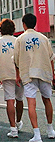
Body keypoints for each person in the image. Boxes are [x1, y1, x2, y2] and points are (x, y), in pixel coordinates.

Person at [14, 13, 55, 142]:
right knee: (47, 100)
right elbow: (51, 58)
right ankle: (50, 130)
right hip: (44, 71)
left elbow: (16, 60)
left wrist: (17, 75)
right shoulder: (44, 38)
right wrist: (53, 73)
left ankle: (37, 134)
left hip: (28, 73)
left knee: (31, 102)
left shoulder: (20, 39)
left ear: (24, 24)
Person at [0, 19, 24, 138]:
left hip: (5, 73)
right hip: (19, 73)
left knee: (10, 100)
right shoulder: (18, 41)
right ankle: (18, 122)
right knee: (20, 99)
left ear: (0, 29)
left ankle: (13, 129)